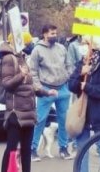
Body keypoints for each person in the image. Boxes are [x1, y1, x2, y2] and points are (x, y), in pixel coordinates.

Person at [0, 42, 52, 172]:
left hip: (29, 113)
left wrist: (45, 92)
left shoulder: (21, 58)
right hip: (16, 113)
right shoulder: (8, 59)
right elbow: (6, 84)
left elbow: (29, 85)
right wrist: (21, 75)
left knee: (26, 150)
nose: (25, 45)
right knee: (11, 149)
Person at [68, 37, 100, 172]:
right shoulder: (81, 64)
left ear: (93, 47)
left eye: (86, 44)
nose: (83, 47)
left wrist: (87, 87)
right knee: (82, 147)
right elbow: (71, 86)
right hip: (83, 113)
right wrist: (80, 73)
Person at [29, 24, 75, 161]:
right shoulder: (37, 50)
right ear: (44, 34)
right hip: (46, 89)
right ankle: (32, 149)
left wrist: (67, 76)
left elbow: (69, 65)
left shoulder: (61, 48)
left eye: (55, 33)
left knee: (63, 120)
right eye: (52, 33)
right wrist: (39, 89)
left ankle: (63, 148)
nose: (55, 36)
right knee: (40, 120)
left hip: (63, 88)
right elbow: (33, 72)